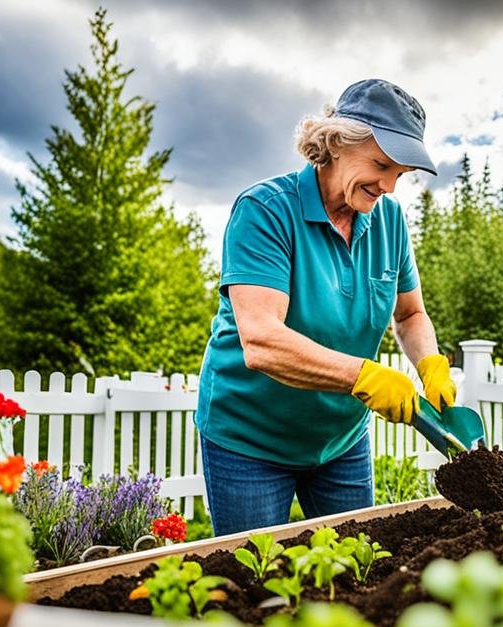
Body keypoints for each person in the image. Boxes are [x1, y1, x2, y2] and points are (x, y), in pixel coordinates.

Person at [195, 79, 456, 537]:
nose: (390, 187)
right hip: (250, 438)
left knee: (356, 573)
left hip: (340, 441)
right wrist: (365, 376)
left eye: (401, 174)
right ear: (336, 142)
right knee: (257, 581)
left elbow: (410, 314)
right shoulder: (266, 211)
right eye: (380, 165)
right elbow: (261, 341)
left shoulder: (388, 222)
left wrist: (431, 364)